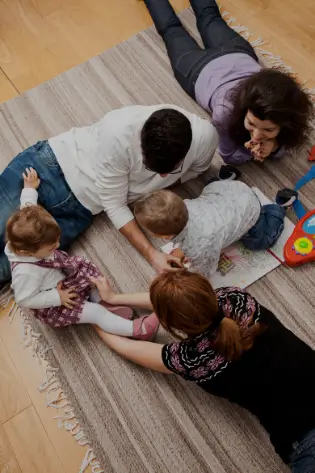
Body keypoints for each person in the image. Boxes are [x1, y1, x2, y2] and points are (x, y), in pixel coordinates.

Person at [93, 271, 315, 472]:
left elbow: (132, 349)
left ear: (170, 323)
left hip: (305, 437)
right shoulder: (238, 299)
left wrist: (97, 320)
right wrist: (114, 298)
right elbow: (186, 302)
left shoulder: (191, 359)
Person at [0, 104, 218, 285]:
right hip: (48, 169)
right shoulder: (117, 132)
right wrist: (152, 254)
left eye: (167, 171)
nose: (161, 176)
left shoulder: (205, 138)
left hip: (80, 212)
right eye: (152, 169)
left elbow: (196, 171)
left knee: (15, 265)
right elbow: (114, 204)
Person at [142, 0, 313, 164]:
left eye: (268, 130)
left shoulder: (290, 111)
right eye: (251, 124)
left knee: (201, 20)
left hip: (234, 52)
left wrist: (274, 147)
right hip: (198, 69)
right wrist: (252, 151)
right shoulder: (225, 112)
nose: (257, 135)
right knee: (173, 28)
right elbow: (228, 155)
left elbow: (292, 142)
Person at [5, 168, 159, 339]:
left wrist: (29, 189)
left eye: (57, 241)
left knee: (87, 273)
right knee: (96, 314)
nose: (57, 245)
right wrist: (57, 297)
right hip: (57, 302)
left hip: (62, 277)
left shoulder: (26, 226)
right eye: (51, 247)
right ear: (26, 252)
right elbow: (25, 299)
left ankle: (101, 299)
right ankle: (137, 330)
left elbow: (28, 209)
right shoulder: (26, 272)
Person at [133, 181, 296, 278]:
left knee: (259, 240)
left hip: (250, 210)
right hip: (230, 189)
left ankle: (277, 209)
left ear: (162, 235)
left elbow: (205, 271)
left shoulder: (199, 248)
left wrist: (186, 274)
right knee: (210, 190)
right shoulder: (184, 206)